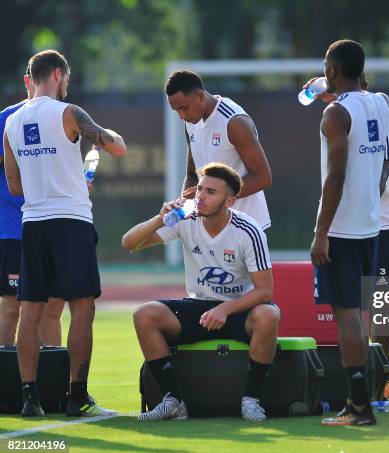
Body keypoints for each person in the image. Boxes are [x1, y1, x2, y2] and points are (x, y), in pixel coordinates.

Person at [3, 49, 127, 417]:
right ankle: (77, 395)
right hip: (71, 221)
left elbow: (14, 186)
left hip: (32, 223)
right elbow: (115, 147)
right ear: (57, 74)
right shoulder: (69, 113)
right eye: (67, 79)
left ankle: (29, 398)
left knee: (30, 311)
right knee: (81, 308)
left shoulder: (11, 122)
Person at [122, 163, 280, 421]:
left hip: (239, 309)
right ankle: (173, 400)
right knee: (144, 315)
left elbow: (265, 291)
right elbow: (129, 243)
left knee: (268, 316)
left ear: (229, 201)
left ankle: (251, 401)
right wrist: (159, 218)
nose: (201, 197)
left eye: (211, 192)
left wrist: (225, 308)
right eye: (200, 190)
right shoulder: (186, 219)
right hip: (199, 308)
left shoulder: (248, 230)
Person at [303, 74, 389, 399]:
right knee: (364, 303)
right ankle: (382, 372)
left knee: (372, 301)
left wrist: (367, 207)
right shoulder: (364, 106)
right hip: (371, 218)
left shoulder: (375, 108)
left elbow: (385, 165)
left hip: (383, 219)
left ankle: (382, 373)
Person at [310, 40, 389, 426]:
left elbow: (336, 176)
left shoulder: (335, 114)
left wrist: (320, 232)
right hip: (369, 226)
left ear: (331, 72)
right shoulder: (380, 102)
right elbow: (382, 163)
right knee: (359, 312)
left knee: (348, 318)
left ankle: (359, 406)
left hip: (341, 230)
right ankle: (359, 402)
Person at [0, 67, 64, 348]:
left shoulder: (65, 116)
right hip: (13, 226)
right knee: (12, 306)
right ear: (27, 81)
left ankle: (55, 383)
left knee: (51, 308)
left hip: (53, 224)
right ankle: (6, 381)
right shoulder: (7, 119)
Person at [165, 70, 272, 230]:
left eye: (184, 108)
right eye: (177, 111)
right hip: (209, 228)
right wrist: (185, 204)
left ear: (200, 96)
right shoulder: (190, 122)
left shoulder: (234, 122)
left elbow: (263, 178)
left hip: (245, 227)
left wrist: (212, 195)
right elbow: (192, 174)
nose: (181, 115)